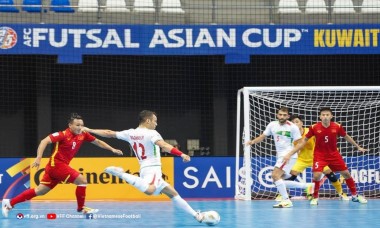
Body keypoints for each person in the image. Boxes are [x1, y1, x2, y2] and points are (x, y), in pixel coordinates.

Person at [82, 110, 206, 223]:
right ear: (148, 121)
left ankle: (196, 215)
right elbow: (163, 145)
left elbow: (109, 133)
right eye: (155, 121)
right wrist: (181, 154)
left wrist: (90, 130)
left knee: (173, 194)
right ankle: (120, 173)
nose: (156, 124)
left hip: (145, 169)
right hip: (153, 169)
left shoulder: (131, 133)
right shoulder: (152, 133)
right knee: (150, 190)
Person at [2, 113, 123, 218]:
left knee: (41, 190)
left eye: (81, 125)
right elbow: (44, 141)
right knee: (82, 180)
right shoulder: (63, 134)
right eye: (77, 125)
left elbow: (98, 142)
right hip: (56, 165)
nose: (80, 127)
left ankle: (9, 203)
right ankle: (81, 208)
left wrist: (112, 149)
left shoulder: (83, 134)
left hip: (56, 167)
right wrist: (38, 157)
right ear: (70, 125)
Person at [284, 107, 368, 205]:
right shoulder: (314, 127)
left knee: (346, 174)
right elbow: (304, 141)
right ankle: (314, 197)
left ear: (331, 116)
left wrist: (358, 147)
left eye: (327, 115)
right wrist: (291, 153)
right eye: (323, 115)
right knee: (316, 175)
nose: (325, 117)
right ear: (320, 117)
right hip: (319, 156)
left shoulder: (337, 126)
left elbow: (346, 136)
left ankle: (354, 195)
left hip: (334, 155)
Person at [246, 107, 314, 208]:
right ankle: (307, 186)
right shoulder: (272, 125)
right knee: (278, 180)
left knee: (275, 175)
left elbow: (300, 143)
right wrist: (252, 142)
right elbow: (263, 136)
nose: (282, 117)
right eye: (280, 114)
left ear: (288, 116)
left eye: (284, 115)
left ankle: (286, 200)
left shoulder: (292, 127)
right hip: (281, 155)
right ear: (277, 115)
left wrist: (289, 154)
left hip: (288, 155)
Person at [276, 114, 348, 201]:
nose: (295, 124)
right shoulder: (290, 135)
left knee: (330, 174)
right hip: (301, 159)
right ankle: (283, 194)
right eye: (292, 123)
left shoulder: (309, 131)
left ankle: (341, 193)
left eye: (297, 122)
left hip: (316, 158)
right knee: (291, 176)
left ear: (301, 123)